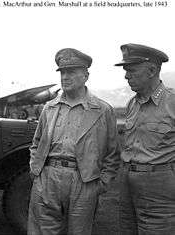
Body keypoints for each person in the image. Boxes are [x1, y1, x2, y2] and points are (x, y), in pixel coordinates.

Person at [27, 48, 120, 235]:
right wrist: (35, 171)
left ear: (85, 76)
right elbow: (36, 143)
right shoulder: (49, 108)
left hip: (83, 180)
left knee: (79, 231)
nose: (65, 77)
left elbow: (113, 153)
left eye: (71, 72)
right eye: (62, 72)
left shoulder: (102, 110)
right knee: (42, 230)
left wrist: (100, 184)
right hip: (47, 177)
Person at [115, 43, 175, 235]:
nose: (126, 76)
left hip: (159, 185)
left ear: (151, 70)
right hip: (127, 181)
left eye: (131, 70)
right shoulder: (132, 103)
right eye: (126, 71)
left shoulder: (172, 102)